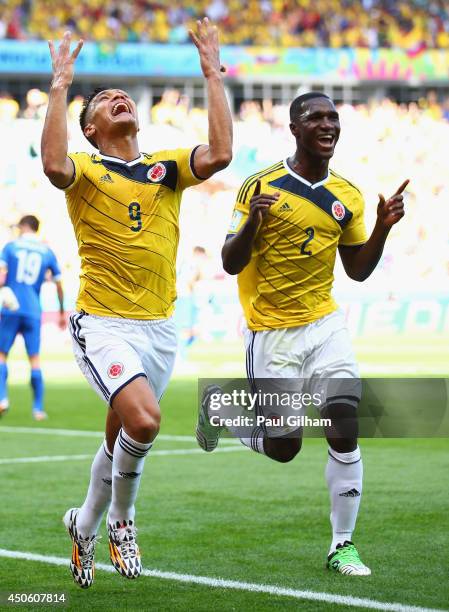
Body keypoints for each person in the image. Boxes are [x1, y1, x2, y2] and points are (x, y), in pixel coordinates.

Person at [41, 19, 232, 589]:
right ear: (92, 129)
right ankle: (123, 519)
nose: (116, 98)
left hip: (160, 326)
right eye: (102, 101)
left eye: (120, 95)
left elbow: (220, 153)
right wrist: (60, 85)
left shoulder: (166, 167)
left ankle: (83, 524)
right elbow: (53, 166)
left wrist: (210, 74)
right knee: (145, 421)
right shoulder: (86, 169)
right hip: (102, 322)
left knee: (118, 436)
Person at [197, 92, 407, 576]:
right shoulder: (260, 185)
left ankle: (343, 545)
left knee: (343, 420)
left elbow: (357, 271)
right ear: (295, 127)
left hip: (325, 323)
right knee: (285, 447)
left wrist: (382, 228)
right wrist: (254, 222)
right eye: (316, 117)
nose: (328, 124)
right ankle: (224, 411)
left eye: (333, 117)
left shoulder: (348, 196)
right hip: (272, 333)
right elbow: (231, 262)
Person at [0, 215, 65, 420]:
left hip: (10, 308)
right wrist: (62, 312)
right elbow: (59, 284)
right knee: (35, 359)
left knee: (1, 355)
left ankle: (2, 399)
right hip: (34, 310)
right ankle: (38, 409)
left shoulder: (10, 247)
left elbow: (1, 275)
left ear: (23, 227)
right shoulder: (47, 252)